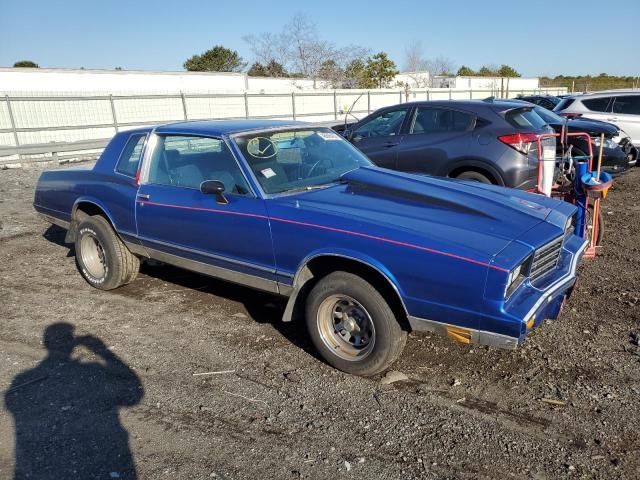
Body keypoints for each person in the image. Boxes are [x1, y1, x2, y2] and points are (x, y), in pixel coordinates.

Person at [4, 322, 144, 479]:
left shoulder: (22, 379)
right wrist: (103, 351)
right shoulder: (93, 371)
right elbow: (133, 396)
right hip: (95, 459)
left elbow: (11, 403)